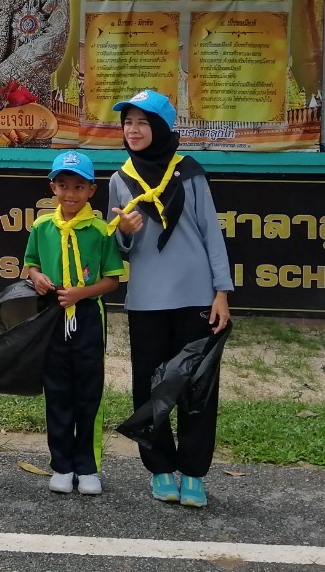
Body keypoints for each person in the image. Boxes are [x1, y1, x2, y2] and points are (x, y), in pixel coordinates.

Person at [108, 89, 233, 508]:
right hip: (146, 301)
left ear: (161, 127)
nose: (133, 130)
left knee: (198, 387)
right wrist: (125, 233)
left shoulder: (190, 173)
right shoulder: (120, 179)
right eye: (128, 123)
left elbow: (211, 233)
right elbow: (116, 249)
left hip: (196, 297)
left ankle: (194, 473)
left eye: (142, 123)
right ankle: (160, 468)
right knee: (149, 387)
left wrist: (221, 292)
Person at [23, 150, 128, 495]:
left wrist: (82, 294)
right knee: (56, 390)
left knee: (88, 390)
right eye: (63, 185)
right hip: (52, 316)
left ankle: (88, 466)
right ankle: (61, 465)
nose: (70, 194)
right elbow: (31, 264)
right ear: (53, 187)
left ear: (91, 190)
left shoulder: (100, 230)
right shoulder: (42, 227)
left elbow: (112, 280)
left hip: (86, 315)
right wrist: (37, 277)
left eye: (79, 187)